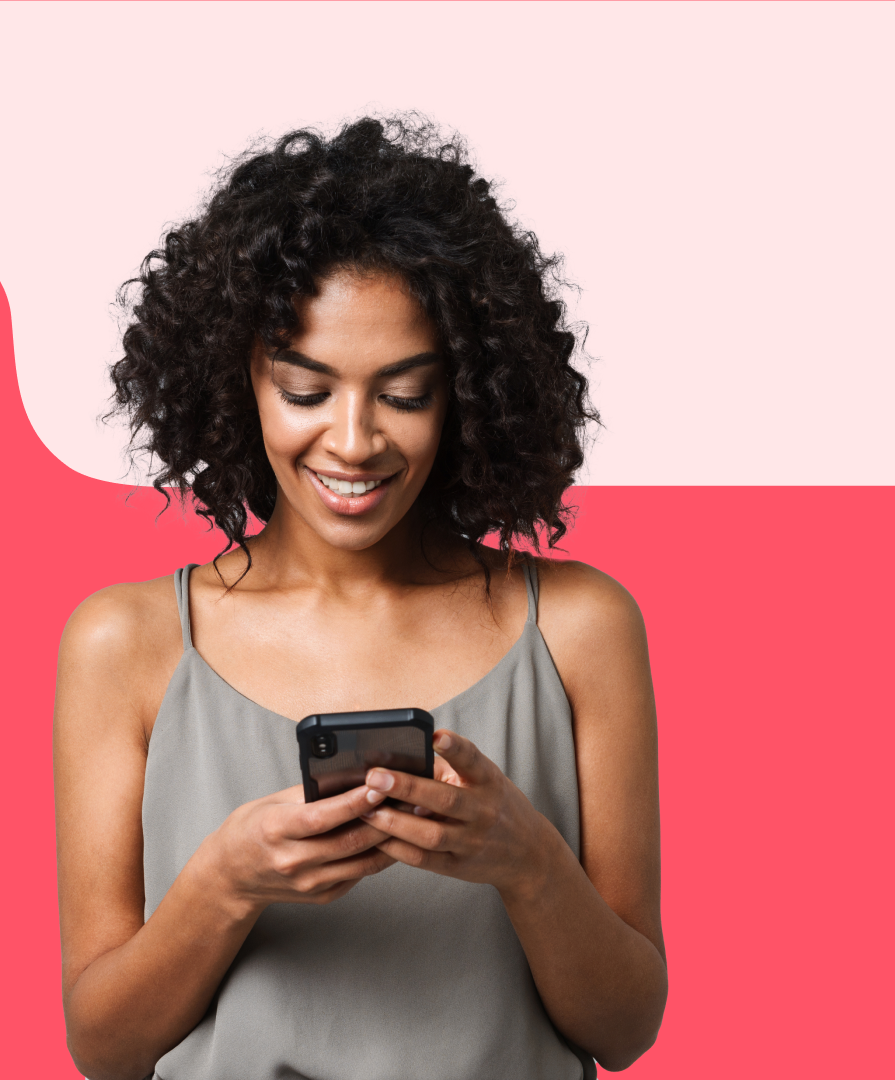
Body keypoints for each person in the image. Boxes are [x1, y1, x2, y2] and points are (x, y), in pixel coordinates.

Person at [53, 116, 667, 1080]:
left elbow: (625, 1030)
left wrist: (529, 863)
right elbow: (104, 1047)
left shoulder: (579, 627)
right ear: (238, 380)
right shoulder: (125, 642)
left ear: (466, 393)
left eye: (405, 394)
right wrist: (225, 881)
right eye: (306, 391)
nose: (353, 442)